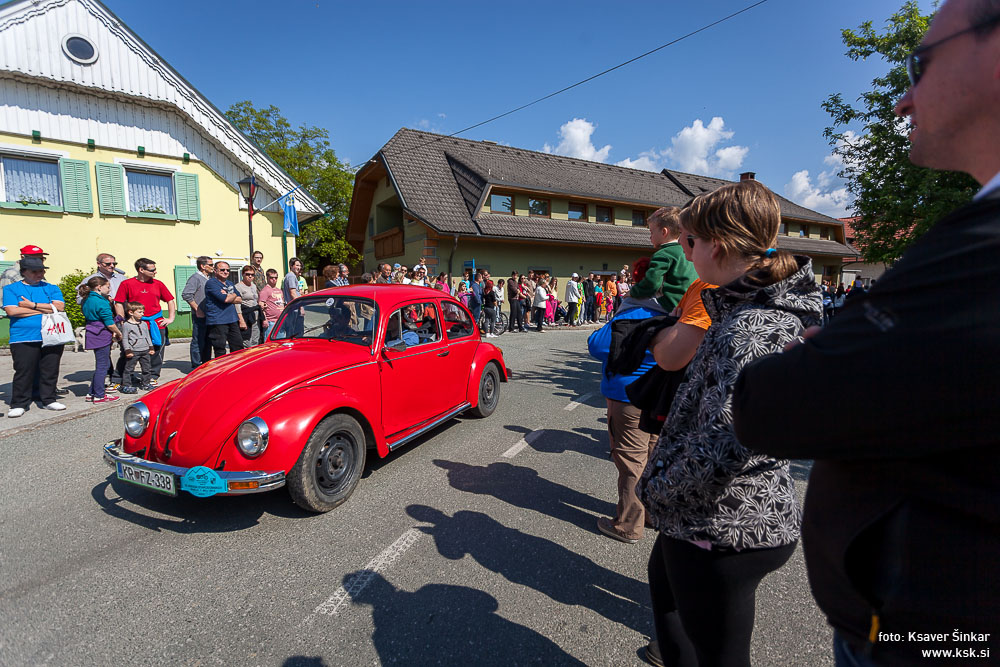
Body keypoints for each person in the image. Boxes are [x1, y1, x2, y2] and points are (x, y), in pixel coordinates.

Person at [733, 3, 1000, 664]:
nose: (903, 100)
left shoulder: (985, 247)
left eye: (920, 63)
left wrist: (821, 357)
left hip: (930, 639)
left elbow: (771, 404)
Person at [637, 180, 821, 667]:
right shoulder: (744, 307)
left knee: (720, 655)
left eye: (689, 241)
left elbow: (725, 442)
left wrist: (655, 490)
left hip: (725, 524)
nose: (684, 250)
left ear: (715, 246)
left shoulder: (754, 326)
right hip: (713, 515)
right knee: (670, 604)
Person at [2, 256, 67, 417]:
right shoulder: (12, 289)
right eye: (35, 271)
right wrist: (46, 308)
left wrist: (32, 306)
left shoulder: (51, 287)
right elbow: (12, 311)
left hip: (52, 335)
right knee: (24, 370)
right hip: (23, 336)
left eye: (41, 271)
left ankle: (48, 399)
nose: (39, 274)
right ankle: (19, 403)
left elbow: (59, 307)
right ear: (24, 272)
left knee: (50, 369)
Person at [113, 258, 175, 388]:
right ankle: (120, 378)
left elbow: (170, 300)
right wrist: (122, 321)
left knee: (157, 350)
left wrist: (170, 318)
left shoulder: (158, 284)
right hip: (134, 324)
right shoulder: (127, 284)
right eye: (152, 270)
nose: (155, 272)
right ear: (141, 270)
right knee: (128, 351)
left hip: (155, 323)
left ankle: (152, 376)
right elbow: (118, 302)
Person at [630, 206, 698, 312]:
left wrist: (632, 291)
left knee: (628, 302)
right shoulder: (687, 251)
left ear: (664, 232)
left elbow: (651, 284)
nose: (650, 237)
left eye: (652, 232)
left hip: (670, 304)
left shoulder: (663, 254)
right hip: (690, 303)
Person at [79, 276, 121, 404]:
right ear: (99, 287)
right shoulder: (101, 302)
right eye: (107, 287)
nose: (109, 289)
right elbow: (109, 324)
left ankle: (91, 392)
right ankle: (99, 395)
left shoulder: (86, 299)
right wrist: (118, 333)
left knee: (101, 364)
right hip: (101, 334)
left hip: (91, 331)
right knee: (103, 366)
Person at [203, 261, 244, 357]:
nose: (225, 272)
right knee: (220, 349)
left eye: (228, 270)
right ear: (215, 271)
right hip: (218, 321)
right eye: (222, 270)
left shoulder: (229, 283)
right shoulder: (211, 283)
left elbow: (240, 299)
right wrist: (232, 295)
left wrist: (229, 295)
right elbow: (225, 299)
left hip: (232, 319)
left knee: (238, 347)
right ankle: (222, 370)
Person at [181, 255, 213, 369]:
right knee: (198, 339)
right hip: (200, 315)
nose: (212, 267)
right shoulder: (195, 278)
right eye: (210, 265)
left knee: (208, 340)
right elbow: (186, 294)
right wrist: (197, 309)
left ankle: (206, 362)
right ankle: (196, 364)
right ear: (202, 266)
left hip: (210, 315)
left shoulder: (208, 278)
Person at [118, 301, 155, 394]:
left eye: (143, 312)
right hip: (134, 351)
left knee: (147, 368)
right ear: (131, 312)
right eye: (140, 312)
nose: (142, 314)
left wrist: (151, 347)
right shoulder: (126, 325)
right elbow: (125, 338)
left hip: (145, 350)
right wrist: (127, 350)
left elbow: (147, 336)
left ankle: (146, 383)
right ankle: (126, 385)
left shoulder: (144, 324)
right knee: (129, 369)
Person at [235, 266, 261, 346]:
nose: (250, 276)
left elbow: (256, 299)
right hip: (245, 316)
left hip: (255, 316)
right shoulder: (238, 287)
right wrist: (241, 320)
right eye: (248, 274)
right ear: (243, 274)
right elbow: (237, 304)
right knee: (247, 342)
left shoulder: (253, 286)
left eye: (252, 275)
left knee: (255, 340)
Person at [259, 269, 285, 340]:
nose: (274, 280)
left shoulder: (279, 291)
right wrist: (264, 320)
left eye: (276, 278)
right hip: (270, 322)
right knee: (270, 344)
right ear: (267, 278)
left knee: (281, 343)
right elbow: (261, 306)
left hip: (280, 321)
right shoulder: (265, 290)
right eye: (271, 278)